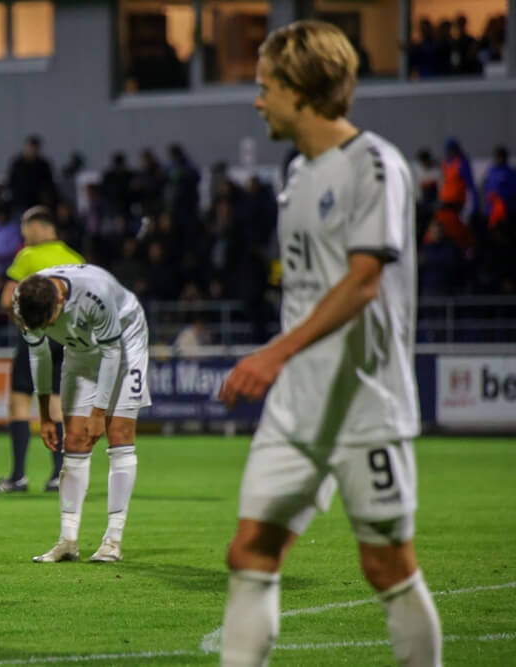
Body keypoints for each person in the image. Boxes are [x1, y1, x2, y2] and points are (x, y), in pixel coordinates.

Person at [216, 21, 441, 666]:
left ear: (299, 89)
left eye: (264, 88)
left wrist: (272, 352)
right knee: (250, 552)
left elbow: (364, 282)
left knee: (386, 566)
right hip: (295, 410)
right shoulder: (297, 176)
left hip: (365, 404)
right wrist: (284, 364)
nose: (257, 102)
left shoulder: (376, 163)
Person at [12, 264, 150, 563]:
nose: (47, 330)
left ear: (60, 303)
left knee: (119, 433)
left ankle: (112, 540)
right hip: (80, 347)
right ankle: (68, 540)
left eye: (49, 323)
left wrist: (99, 411)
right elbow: (39, 354)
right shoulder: (23, 301)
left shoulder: (94, 293)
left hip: (124, 342)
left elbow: (112, 353)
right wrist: (45, 415)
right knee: (73, 439)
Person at [0, 206, 84, 493]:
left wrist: (22, 317)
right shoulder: (75, 259)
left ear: (39, 227)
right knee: (55, 401)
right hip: (64, 338)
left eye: (26, 232)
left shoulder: (28, 256)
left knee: (19, 400)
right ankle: (57, 475)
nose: (24, 239)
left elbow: (6, 298)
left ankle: (18, 476)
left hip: (34, 335)